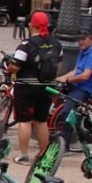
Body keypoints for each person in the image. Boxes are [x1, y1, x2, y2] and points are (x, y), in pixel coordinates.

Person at [8, 11, 59, 164]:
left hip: (26, 87)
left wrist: (9, 67)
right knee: (41, 121)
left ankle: (24, 156)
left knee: (25, 121)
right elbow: (59, 65)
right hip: (47, 88)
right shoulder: (56, 44)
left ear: (32, 25)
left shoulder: (26, 44)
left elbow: (15, 66)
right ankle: (44, 156)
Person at [55, 26, 92, 150]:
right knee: (55, 93)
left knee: (66, 111)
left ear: (91, 39)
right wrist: (61, 78)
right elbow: (76, 71)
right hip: (77, 85)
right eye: (78, 39)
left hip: (86, 89)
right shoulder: (83, 51)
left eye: (83, 39)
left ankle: (64, 143)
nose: (80, 41)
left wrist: (68, 80)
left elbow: (85, 76)